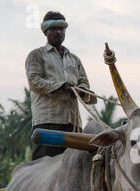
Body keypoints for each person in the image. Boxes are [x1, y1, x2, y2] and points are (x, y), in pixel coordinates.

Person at [25, 11, 97, 160]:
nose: (58, 32)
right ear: (46, 32)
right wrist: (61, 86)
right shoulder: (37, 55)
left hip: (73, 123)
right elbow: (34, 82)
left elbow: (84, 82)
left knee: (74, 165)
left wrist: (81, 90)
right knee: (45, 165)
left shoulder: (74, 59)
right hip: (48, 121)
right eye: (54, 29)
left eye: (61, 29)